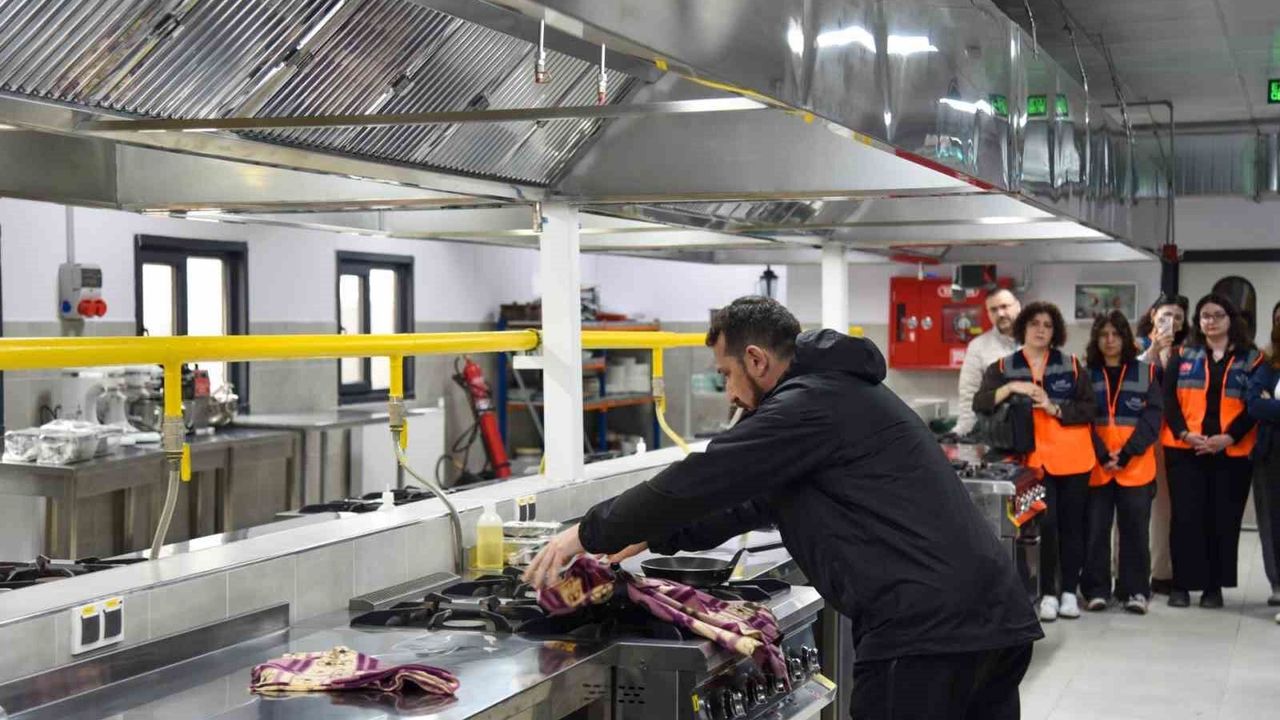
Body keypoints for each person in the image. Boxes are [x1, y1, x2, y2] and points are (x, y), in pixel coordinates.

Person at [525, 297, 1043, 720]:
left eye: (726, 374)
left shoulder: (806, 404)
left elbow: (704, 476)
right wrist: (654, 533)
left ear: (756, 360)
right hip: (993, 619)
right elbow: (749, 501)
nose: (730, 393)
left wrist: (586, 533)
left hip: (926, 633)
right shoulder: (838, 392)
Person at [974, 302, 1097, 622]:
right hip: (1030, 462)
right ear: (1023, 328)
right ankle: (1048, 594)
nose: (1041, 330)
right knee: (1047, 525)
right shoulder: (1003, 367)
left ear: (1055, 332)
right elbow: (981, 403)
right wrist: (1011, 387)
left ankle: (1069, 591)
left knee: (1072, 526)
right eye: (1034, 324)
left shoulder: (1071, 365)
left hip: (1073, 458)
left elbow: (1089, 408)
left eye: (1047, 325)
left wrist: (1054, 408)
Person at [1161, 294, 1262, 608]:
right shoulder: (1182, 354)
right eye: (1205, 315)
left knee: (1223, 521)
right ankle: (1181, 585)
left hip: (1231, 452)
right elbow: (1168, 399)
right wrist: (1185, 433)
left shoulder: (1251, 359)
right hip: (1185, 449)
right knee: (1185, 518)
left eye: (1218, 315)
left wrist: (1228, 437)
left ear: (1231, 319)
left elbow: (1255, 405)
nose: (1211, 321)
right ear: (1198, 321)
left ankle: (1213, 587)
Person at [1080, 312, 1163, 615]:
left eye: (1116, 334)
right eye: (1103, 334)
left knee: (1135, 532)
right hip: (1096, 467)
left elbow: (1153, 417)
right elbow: (1081, 420)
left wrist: (1127, 453)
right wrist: (1102, 454)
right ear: (1096, 339)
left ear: (1126, 338)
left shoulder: (1146, 373)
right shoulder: (1084, 375)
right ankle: (1096, 590)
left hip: (1136, 467)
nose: (1110, 340)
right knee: (1095, 531)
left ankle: (1135, 590)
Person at [1135, 294, 1188, 595]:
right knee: (1130, 504)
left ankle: (1161, 572)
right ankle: (1124, 569)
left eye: (1179, 317)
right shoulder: (1135, 346)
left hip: (1170, 436)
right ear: (1153, 314)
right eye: (1167, 315)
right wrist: (1155, 349)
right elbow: (1131, 376)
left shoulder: (1187, 352)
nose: (1173, 322)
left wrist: (1170, 356)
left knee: (1163, 508)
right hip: (1135, 433)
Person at [1247, 300, 1280, 610]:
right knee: (1271, 521)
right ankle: (1277, 583)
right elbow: (1254, 404)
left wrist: (1274, 406)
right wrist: (1268, 404)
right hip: (1271, 454)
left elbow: (1266, 404)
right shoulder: (1267, 364)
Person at [956, 288, 1022, 437]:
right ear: (988, 314)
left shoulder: (1038, 342)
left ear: (1018, 306)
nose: (1000, 313)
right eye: (994, 310)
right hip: (997, 434)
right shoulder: (978, 347)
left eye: (1005, 306)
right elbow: (969, 395)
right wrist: (965, 432)